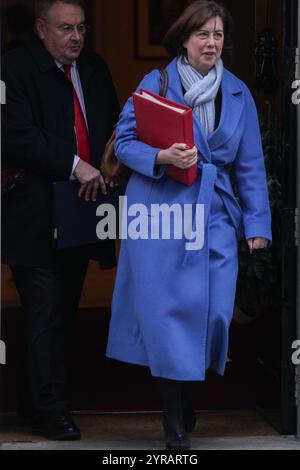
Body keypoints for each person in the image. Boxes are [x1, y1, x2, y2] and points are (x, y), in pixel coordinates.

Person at [107, 0, 272, 450]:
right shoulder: (156, 83)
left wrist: (257, 224)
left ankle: (188, 390)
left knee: (215, 314)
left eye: (218, 35)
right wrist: (161, 156)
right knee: (168, 321)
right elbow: (123, 142)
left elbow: (251, 166)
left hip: (215, 213)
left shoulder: (237, 92)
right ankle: (173, 419)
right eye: (203, 35)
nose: (212, 44)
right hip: (162, 212)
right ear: (184, 39)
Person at [2, 0, 119, 440]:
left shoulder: (93, 68)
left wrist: (109, 164)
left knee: (60, 312)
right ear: (40, 29)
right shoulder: (12, 68)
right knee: (46, 310)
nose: (76, 37)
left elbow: (113, 123)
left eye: (82, 28)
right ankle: (52, 410)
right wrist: (75, 165)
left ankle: (32, 404)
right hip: (31, 213)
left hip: (81, 210)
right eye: (65, 28)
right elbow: (13, 134)